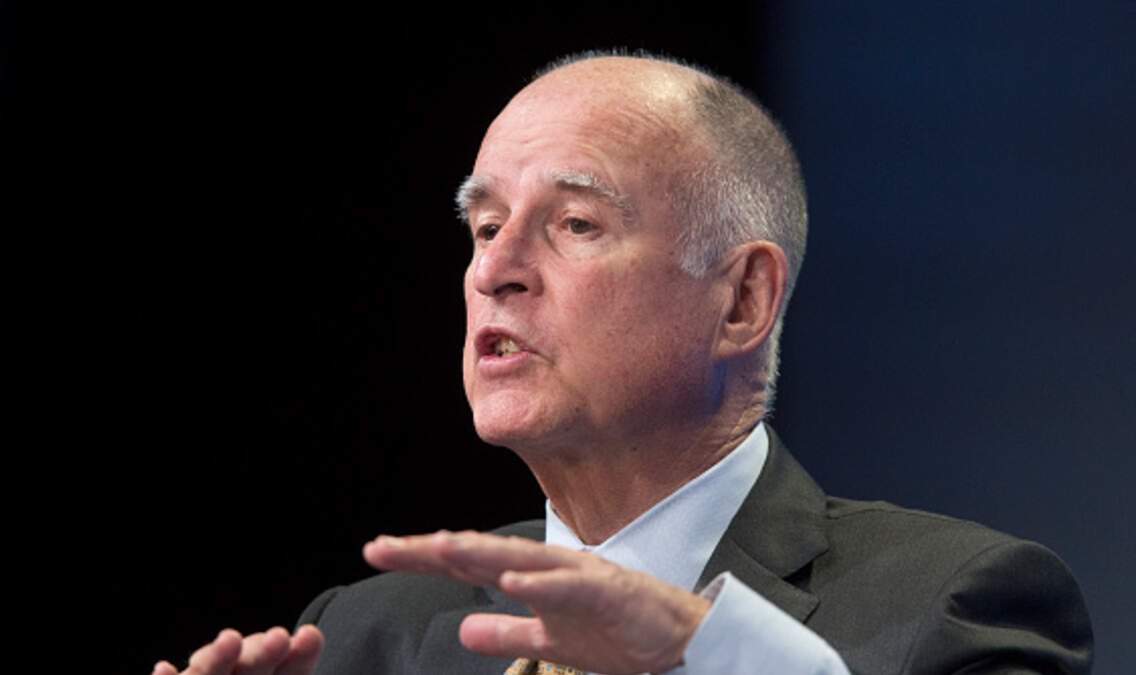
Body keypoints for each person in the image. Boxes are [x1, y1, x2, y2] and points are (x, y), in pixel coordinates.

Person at [153, 53, 1093, 675]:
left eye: (574, 223)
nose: (493, 269)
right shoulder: (363, 636)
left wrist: (711, 655)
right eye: (485, 225)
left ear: (742, 300)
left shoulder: (954, 605)